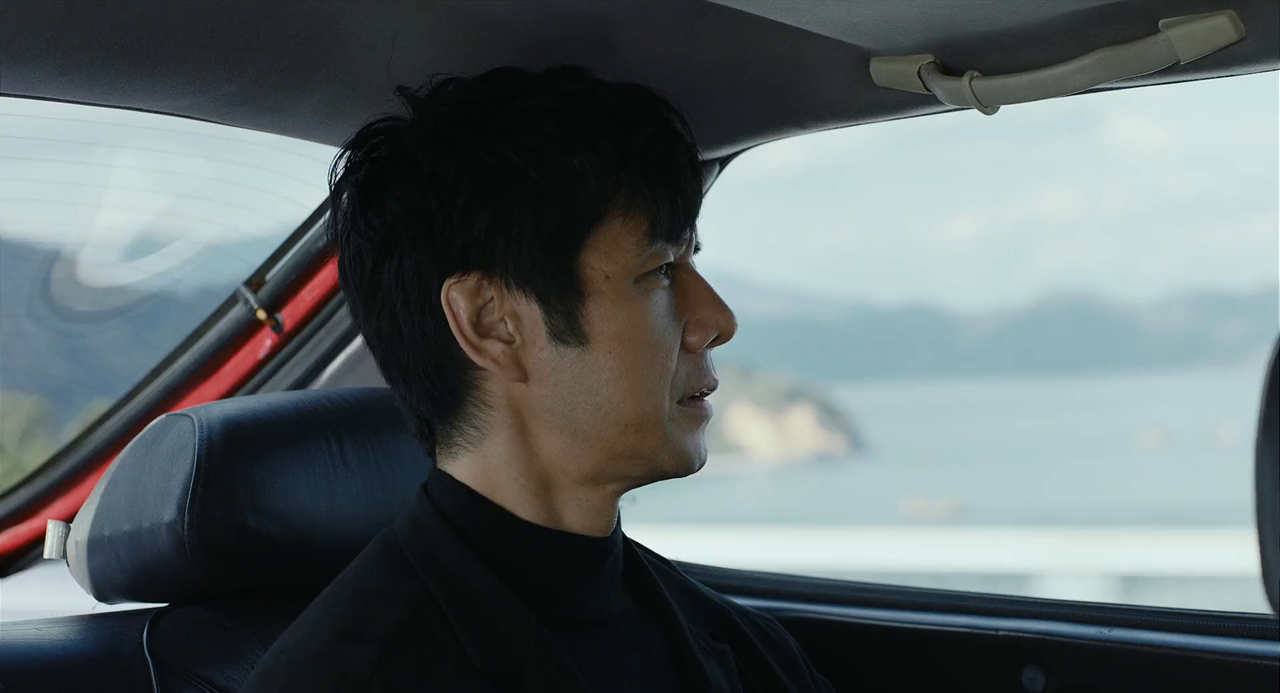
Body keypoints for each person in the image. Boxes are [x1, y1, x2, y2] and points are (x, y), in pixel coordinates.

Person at [243, 65, 835, 693]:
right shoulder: (349, 676)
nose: (718, 321)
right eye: (660, 271)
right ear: (493, 324)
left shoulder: (743, 648)